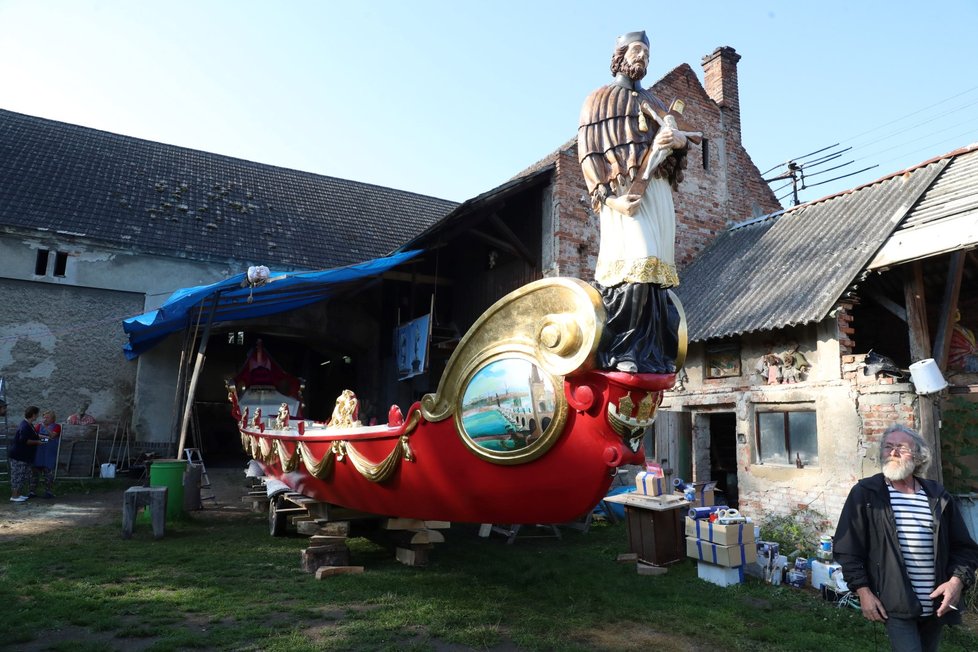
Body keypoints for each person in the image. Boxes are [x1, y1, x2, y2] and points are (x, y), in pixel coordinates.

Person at [578, 30, 690, 373]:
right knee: (635, 265)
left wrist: (680, 139)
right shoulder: (598, 99)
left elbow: (676, 152)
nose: (642, 56)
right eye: (636, 49)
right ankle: (621, 351)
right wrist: (611, 201)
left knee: (656, 276)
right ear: (620, 55)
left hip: (657, 190)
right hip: (625, 191)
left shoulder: (656, 103)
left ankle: (651, 353)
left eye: (646, 52)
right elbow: (588, 153)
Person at [834, 424, 978, 651]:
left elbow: (965, 548)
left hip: (936, 601)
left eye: (901, 447)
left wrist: (955, 583)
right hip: (894, 601)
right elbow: (847, 548)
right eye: (888, 447)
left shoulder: (937, 495)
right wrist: (863, 592)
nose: (893, 453)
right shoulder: (867, 493)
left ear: (919, 456)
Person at [8, 405, 44, 502]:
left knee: (23, 475)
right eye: (37, 414)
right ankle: (14, 496)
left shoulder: (29, 424)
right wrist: (37, 442)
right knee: (18, 475)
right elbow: (24, 440)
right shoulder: (24, 426)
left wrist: (44, 437)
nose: (37, 416)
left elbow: (34, 435)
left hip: (24, 456)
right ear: (33, 415)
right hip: (19, 456)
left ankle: (18, 494)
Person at [31, 409, 62, 498]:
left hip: (49, 452)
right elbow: (34, 434)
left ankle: (48, 491)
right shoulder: (38, 426)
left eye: (47, 417)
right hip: (39, 452)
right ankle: (32, 491)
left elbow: (52, 435)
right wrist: (43, 435)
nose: (45, 419)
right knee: (34, 472)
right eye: (44, 417)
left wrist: (45, 427)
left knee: (48, 472)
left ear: (53, 419)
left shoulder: (57, 426)